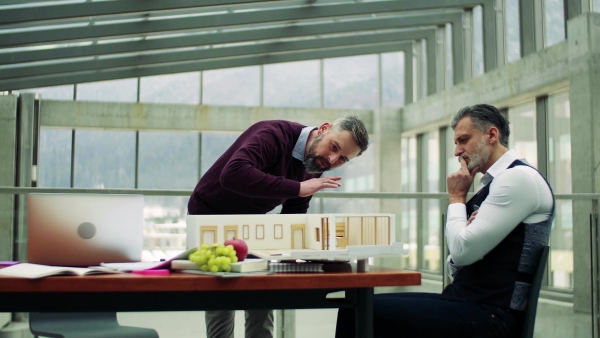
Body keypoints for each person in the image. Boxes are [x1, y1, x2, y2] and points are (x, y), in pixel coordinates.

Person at [335, 104, 554, 338]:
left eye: (463, 140)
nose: (457, 151)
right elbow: (456, 261)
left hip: (491, 315)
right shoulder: (497, 183)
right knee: (358, 305)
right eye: (456, 143)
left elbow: (460, 252)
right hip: (469, 302)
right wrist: (464, 234)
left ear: (491, 135)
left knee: (360, 312)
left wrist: (457, 198)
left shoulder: (517, 179)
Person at [188, 115, 370, 338]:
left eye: (342, 159)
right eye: (333, 147)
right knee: (222, 302)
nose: (332, 160)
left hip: (251, 222)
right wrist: (297, 187)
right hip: (210, 214)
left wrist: (294, 256)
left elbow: (296, 208)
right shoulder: (274, 134)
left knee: (263, 299)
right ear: (323, 129)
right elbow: (233, 174)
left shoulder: (317, 162)